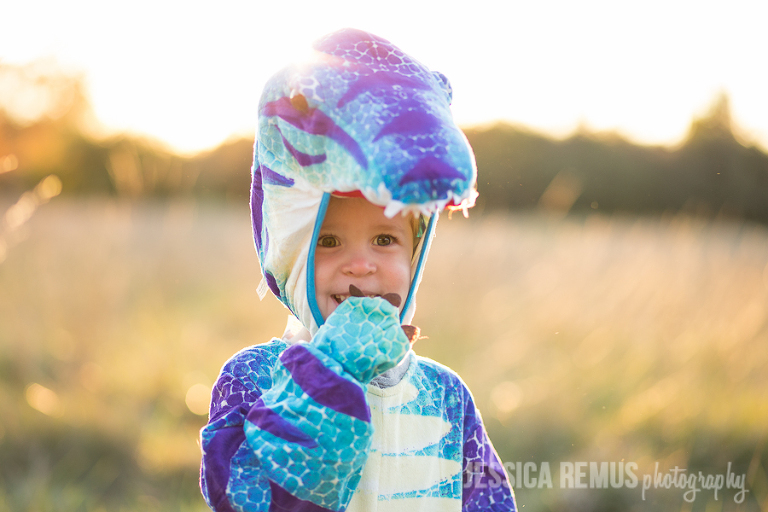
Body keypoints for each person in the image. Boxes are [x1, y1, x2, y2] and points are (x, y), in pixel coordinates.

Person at [199, 28, 517, 512]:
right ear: (292, 258)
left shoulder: (447, 396)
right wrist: (332, 371)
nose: (362, 264)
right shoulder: (253, 378)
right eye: (328, 241)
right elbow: (252, 501)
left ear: (415, 255)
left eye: (385, 240)